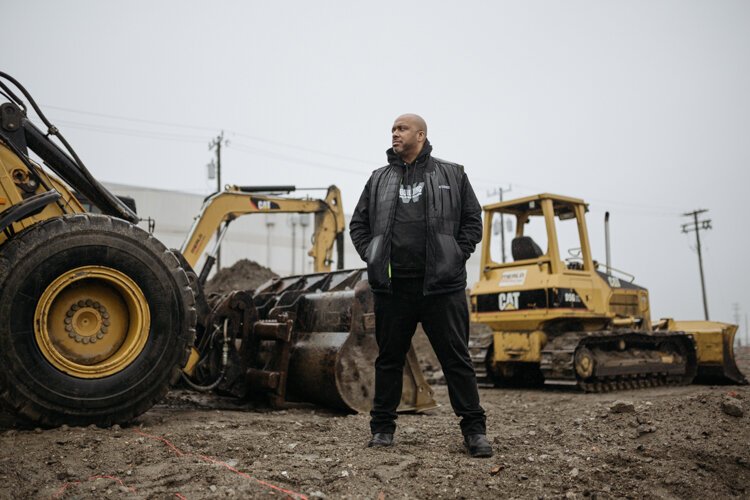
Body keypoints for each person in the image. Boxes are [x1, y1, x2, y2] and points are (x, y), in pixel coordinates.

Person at [349, 113, 493, 458]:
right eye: (393, 130)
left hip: (442, 287)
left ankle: (475, 432)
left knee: (456, 360)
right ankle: (382, 429)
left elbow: (473, 219)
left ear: (421, 134)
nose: (395, 134)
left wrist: (456, 254)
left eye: (402, 129)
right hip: (394, 289)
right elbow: (359, 224)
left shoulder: (452, 174)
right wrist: (373, 254)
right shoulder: (378, 179)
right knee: (389, 361)